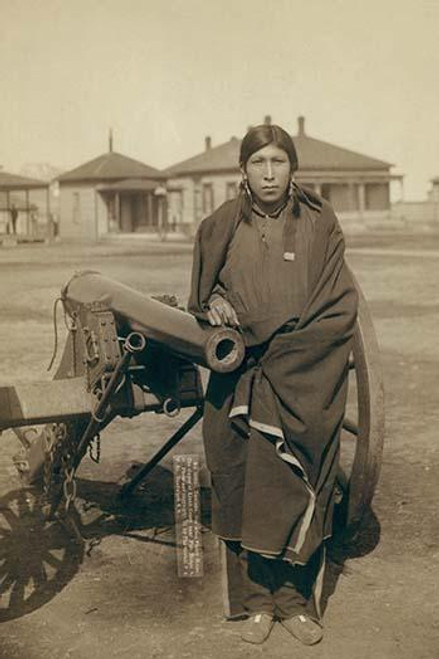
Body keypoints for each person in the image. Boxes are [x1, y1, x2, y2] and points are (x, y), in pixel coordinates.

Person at [188, 123, 358, 646]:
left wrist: (282, 345)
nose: (268, 173)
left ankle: (295, 604)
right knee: (242, 484)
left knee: (301, 481)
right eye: (257, 162)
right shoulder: (218, 226)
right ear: (242, 169)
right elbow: (201, 296)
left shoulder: (320, 222)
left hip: (306, 375)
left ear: (293, 169)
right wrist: (215, 305)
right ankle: (257, 605)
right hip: (241, 378)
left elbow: (337, 303)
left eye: (278, 162)